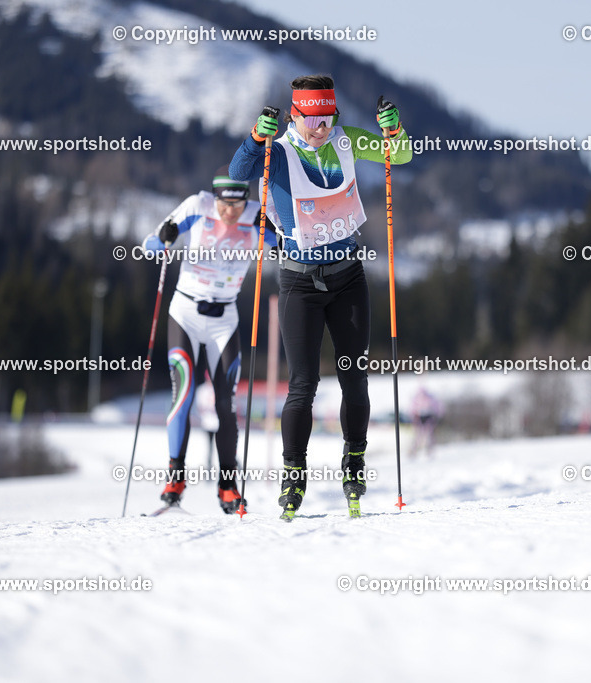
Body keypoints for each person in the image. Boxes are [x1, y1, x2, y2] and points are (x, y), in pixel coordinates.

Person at [229, 74, 413, 518]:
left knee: (355, 377)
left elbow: (399, 155)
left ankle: (354, 461)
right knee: (303, 384)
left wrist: (394, 131)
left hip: (348, 276)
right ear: (297, 115)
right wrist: (256, 138)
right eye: (313, 119)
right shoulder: (280, 150)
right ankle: (294, 473)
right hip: (298, 282)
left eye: (328, 117)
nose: (322, 127)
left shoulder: (346, 140)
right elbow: (236, 174)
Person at [141, 166, 275, 512]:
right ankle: (176, 475)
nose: (230, 213)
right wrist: (165, 235)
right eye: (224, 205)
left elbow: (282, 243)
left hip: (224, 318)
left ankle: (228, 486)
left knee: (225, 404)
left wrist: (272, 232)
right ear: (214, 198)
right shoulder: (195, 207)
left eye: (238, 204)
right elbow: (150, 245)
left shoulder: (255, 214)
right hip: (185, 312)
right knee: (182, 394)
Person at [411, 386, 444, 457]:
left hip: (426, 417)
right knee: (422, 435)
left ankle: (426, 450)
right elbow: (437, 407)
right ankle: (417, 451)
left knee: (425, 435)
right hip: (422, 417)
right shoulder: (428, 398)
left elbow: (437, 407)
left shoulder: (427, 398)